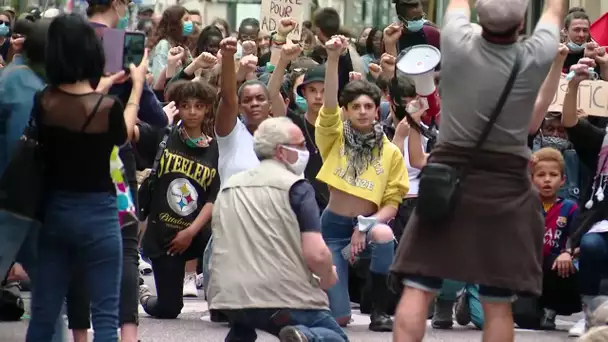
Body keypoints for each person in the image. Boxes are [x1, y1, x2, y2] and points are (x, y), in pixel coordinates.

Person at [390, 0, 564, 341]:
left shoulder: (455, 39)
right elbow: (555, 11)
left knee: (418, 286)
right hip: (507, 185)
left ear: (479, 21)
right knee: (498, 303)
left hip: (449, 178)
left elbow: (457, 4)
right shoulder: (536, 53)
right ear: (522, 24)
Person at [25, 13, 148, 342]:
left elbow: (72, 109)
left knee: (43, 315)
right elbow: (121, 135)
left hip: (55, 215)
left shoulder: (44, 102)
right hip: (99, 216)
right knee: (106, 317)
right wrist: (135, 87)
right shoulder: (106, 108)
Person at [207, 116, 348, 342]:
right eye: (301, 146)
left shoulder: (229, 187)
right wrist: (328, 274)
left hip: (228, 295)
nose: (306, 151)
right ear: (281, 151)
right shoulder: (297, 187)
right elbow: (317, 253)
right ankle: (304, 337)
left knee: (245, 326)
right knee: (334, 337)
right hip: (281, 298)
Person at [316, 35, 409, 331]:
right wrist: (332, 59)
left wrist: (365, 225)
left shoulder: (391, 150)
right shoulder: (334, 137)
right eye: (355, 106)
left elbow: (393, 202)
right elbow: (328, 107)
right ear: (347, 111)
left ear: (377, 107)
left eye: (369, 105)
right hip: (332, 232)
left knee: (383, 234)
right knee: (340, 319)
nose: (363, 111)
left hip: (367, 229)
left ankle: (379, 311)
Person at [137, 80, 219, 318]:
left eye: (198, 106)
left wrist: (191, 232)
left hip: (196, 233)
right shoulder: (164, 137)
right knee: (169, 309)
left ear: (206, 110)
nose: (192, 112)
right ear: (178, 108)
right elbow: (132, 133)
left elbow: (213, 198)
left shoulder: (215, 149)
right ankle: (143, 293)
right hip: (163, 236)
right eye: (185, 105)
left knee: (224, 311)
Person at [561, 57, 608, 336]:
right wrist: (575, 85)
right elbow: (569, 121)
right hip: (601, 224)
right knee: (590, 245)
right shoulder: (602, 141)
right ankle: (590, 314)